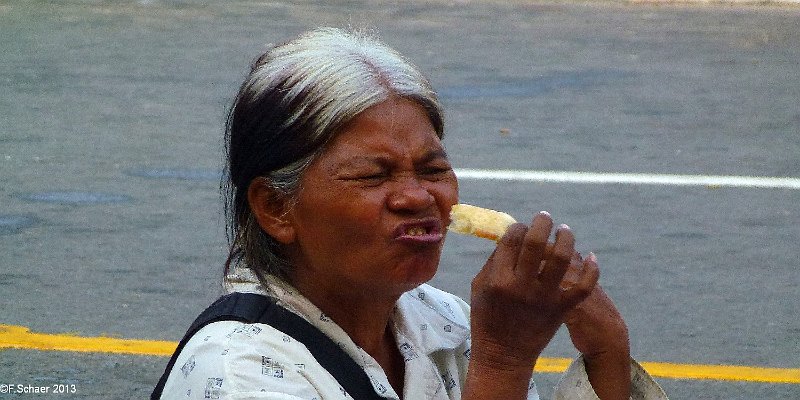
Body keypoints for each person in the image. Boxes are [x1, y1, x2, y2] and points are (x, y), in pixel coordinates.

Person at [154, 27, 667, 399]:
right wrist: (503, 360)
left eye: (432, 168)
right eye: (372, 176)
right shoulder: (241, 375)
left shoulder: (441, 323)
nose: (418, 197)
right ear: (276, 208)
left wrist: (606, 351)